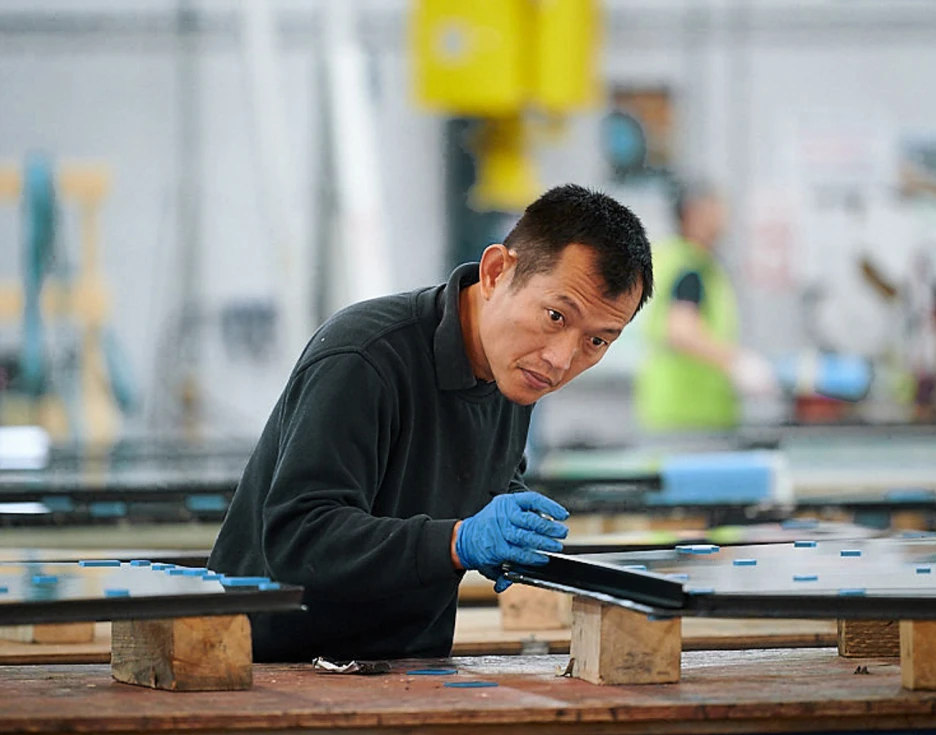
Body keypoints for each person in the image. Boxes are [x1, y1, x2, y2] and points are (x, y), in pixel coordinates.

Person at [208, 184, 654, 662]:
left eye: (597, 342)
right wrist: (458, 541)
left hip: (403, 668)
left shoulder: (515, 372)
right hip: (263, 672)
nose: (561, 359)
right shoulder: (364, 356)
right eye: (554, 316)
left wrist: (509, 514)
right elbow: (299, 540)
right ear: (496, 272)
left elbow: (463, 481)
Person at [635, 181, 776, 432]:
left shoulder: (670, 256)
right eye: (715, 206)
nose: (723, 216)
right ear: (693, 213)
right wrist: (737, 362)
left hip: (672, 409)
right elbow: (680, 330)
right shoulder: (691, 268)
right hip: (689, 415)